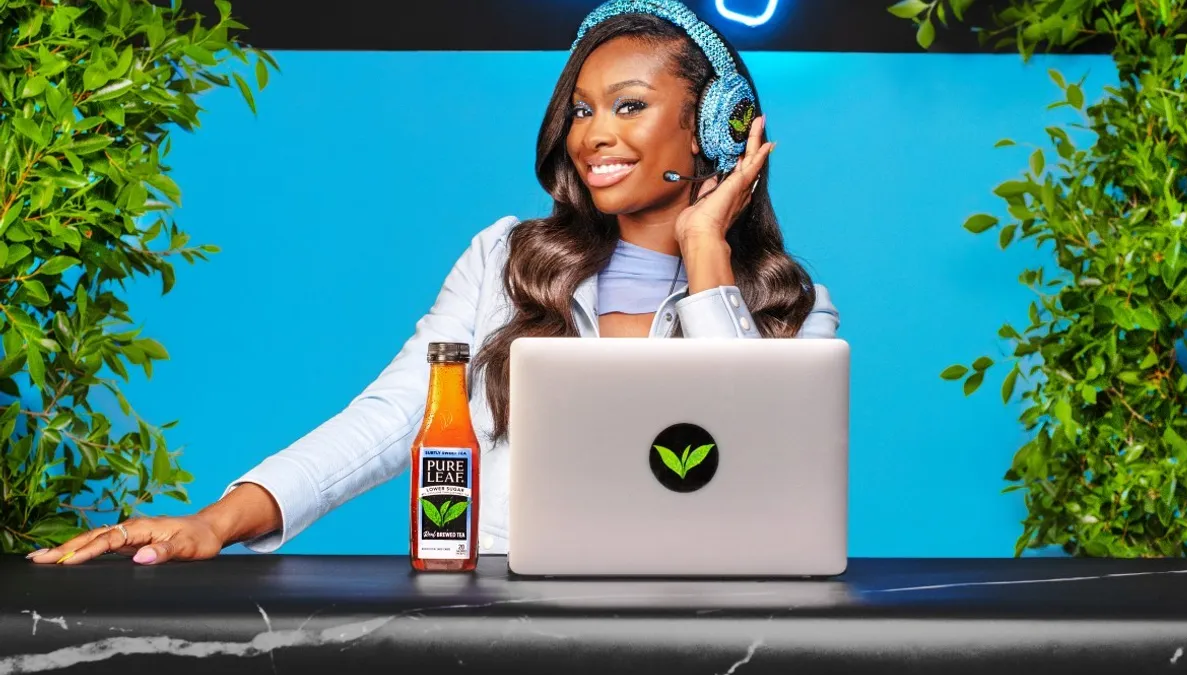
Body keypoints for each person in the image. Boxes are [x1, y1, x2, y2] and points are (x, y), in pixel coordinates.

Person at [28, 0, 839, 566]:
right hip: (506, 613)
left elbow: (747, 469)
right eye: (583, 110)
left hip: (709, 619)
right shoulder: (505, 259)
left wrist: (704, 251)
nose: (594, 135)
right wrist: (215, 521)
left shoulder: (791, 311)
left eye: (628, 106)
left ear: (713, 130)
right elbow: (392, 417)